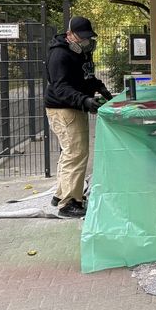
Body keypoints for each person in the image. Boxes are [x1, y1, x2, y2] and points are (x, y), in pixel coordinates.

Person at [45, 16, 112, 218]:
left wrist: (99, 87)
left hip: (73, 107)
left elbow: (85, 77)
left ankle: (60, 194)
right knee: (75, 153)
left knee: (71, 152)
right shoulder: (59, 55)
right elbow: (61, 87)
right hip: (64, 108)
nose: (85, 41)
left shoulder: (81, 52)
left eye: (87, 37)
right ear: (69, 35)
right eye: (81, 38)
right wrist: (85, 101)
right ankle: (69, 204)